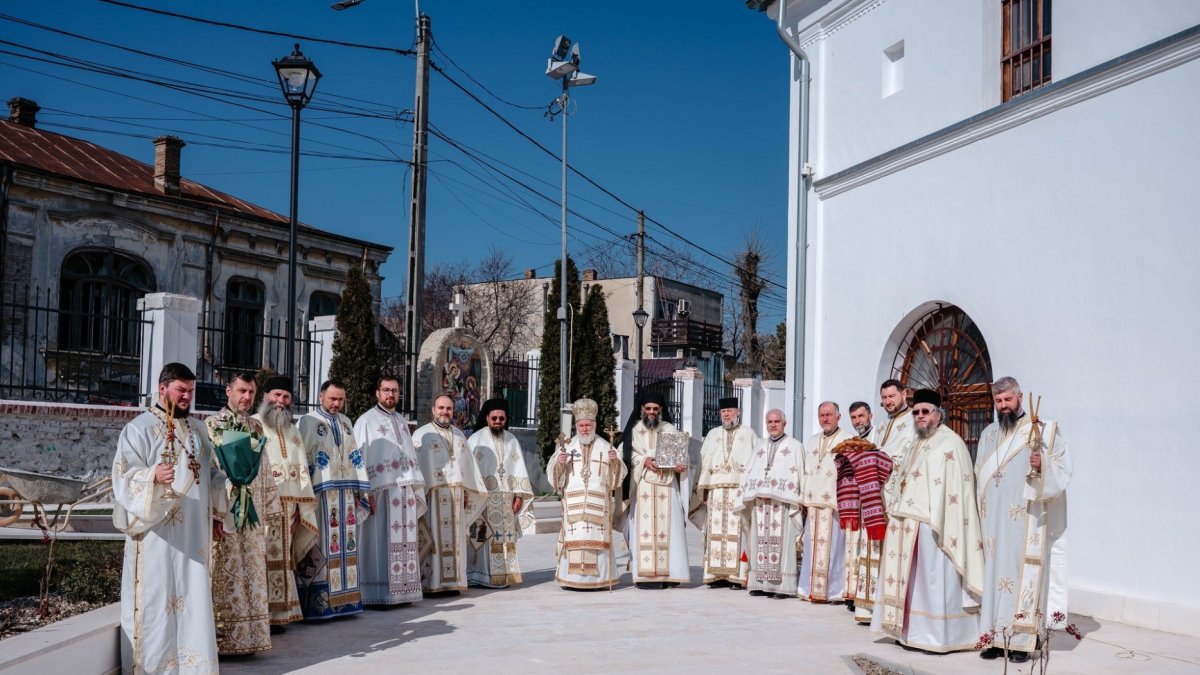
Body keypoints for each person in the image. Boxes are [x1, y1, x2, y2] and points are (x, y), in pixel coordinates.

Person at [111, 362, 228, 674]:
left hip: (194, 536)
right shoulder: (138, 429)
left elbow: (211, 476)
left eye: (191, 390)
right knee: (156, 600)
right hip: (155, 535)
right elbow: (123, 477)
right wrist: (152, 476)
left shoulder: (199, 430)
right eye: (181, 390)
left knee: (193, 599)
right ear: (162, 389)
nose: (187, 396)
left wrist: (226, 496)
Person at [871, 389, 985, 653]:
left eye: (925, 412)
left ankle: (935, 636)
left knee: (932, 579)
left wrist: (941, 519)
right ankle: (909, 632)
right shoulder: (915, 441)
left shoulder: (951, 443)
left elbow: (955, 491)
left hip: (933, 525)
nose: (920, 416)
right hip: (905, 522)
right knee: (911, 583)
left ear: (938, 414)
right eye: (916, 413)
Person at [975, 377, 1072, 663]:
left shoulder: (1043, 430)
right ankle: (994, 638)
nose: (1003, 405)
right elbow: (980, 474)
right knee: (993, 577)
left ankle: (1021, 642)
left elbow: (1063, 468)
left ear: (1019, 397)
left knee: (1021, 576)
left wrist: (1043, 465)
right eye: (998, 401)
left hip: (1026, 521)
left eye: (1008, 399)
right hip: (993, 523)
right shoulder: (988, 434)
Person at [205, 371, 283, 656]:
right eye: (241, 391)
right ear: (229, 391)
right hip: (227, 514)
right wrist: (215, 514)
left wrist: (271, 509)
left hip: (253, 514)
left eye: (251, 392)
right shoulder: (213, 425)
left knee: (252, 574)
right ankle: (224, 640)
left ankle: (250, 638)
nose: (247, 397)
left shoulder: (256, 426)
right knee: (226, 574)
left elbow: (265, 469)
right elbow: (211, 472)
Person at [296, 379, 371, 619]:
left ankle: (347, 601)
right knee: (322, 547)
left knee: (347, 546)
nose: (337, 404)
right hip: (321, 496)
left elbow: (354, 456)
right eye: (332, 399)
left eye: (340, 399)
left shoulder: (346, 422)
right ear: (321, 397)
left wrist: (360, 492)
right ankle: (320, 604)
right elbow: (303, 458)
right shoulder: (307, 421)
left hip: (345, 496)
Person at [352, 376, 427, 606]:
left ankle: (403, 592)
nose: (390, 394)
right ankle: (376, 593)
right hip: (379, 493)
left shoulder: (402, 421)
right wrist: (365, 493)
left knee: (405, 541)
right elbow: (359, 459)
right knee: (379, 543)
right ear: (377, 393)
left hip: (404, 493)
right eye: (386, 390)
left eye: (394, 390)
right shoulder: (366, 421)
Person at [848, 379, 918, 624]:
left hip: (894, 498)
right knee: (870, 548)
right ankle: (868, 606)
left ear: (904, 394)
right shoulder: (881, 426)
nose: (888, 402)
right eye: (884, 398)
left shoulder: (913, 422)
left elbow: (908, 458)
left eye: (892, 396)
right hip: (874, 496)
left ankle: (886, 607)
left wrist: (880, 463)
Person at [254, 375, 319, 626]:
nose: (281, 401)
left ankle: (280, 616)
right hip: (262, 504)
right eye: (276, 395)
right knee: (261, 558)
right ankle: (262, 614)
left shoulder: (293, 430)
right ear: (265, 396)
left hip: (289, 507)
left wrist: (301, 509)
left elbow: (301, 469)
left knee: (283, 559)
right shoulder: (254, 424)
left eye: (286, 397)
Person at [547, 398, 627, 589]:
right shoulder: (567, 447)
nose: (585, 429)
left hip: (598, 505)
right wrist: (560, 464)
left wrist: (615, 462)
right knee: (575, 539)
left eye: (588, 425)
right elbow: (554, 479)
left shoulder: (606, 447)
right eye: (581, 425)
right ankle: (572, 580)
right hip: (573, 505)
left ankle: (598, 580)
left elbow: (616, 481)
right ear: (576, 426)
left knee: (596, 540)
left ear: (594, 425)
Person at [413, 395, 488, 594]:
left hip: (457, 497)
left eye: (448, 408)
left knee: (456, 540)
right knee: (433, 540)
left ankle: (453, 582)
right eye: (441, 408)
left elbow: (468, 468)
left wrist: (467, 493)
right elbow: (416, 469)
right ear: (433, 409)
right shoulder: (421, 435)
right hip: (433, 498)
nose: (444, 412)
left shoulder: (459, 435)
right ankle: (431, 583)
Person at [734, 408, 806, 598]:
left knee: (783, 545)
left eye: (776, 422)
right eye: (769, 422)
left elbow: (800, 475)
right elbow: (750, 471)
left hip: (783, 505)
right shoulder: (759, 446)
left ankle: (781, 587)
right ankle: (759, 583)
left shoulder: (795, 446)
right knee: (758, 543)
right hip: (760, 504)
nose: (773, 425)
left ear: (784, 423)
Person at [622, 392, 690, 588]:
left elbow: (682, 455)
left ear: (661, 410)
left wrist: (681, 465)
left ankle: (671, 574)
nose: (651, 412)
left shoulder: (669, 429)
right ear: (642, 409)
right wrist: (644, 460)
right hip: (643, 485)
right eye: (648, 408)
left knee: (671, 529)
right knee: (644, 530)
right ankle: (645, 577)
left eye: (655, 409)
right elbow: (624, 454)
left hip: (667, 487)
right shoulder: (634, 430)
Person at [466, 398, 535, 588]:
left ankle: (504, 574)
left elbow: (518, 468)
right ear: (487, 418)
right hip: (483, 500)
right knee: (481, 537)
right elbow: (469, 470)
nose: (497, 421)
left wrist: (519, 495)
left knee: (504, 538)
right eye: (494, 418)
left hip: (506, 500)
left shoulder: (511, 440)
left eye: (501, 418)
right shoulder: (476, 439)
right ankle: (479, 575)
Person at [691, 396, 758, 588]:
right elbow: (703, 463)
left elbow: (755, 462)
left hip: (739, 491)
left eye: (730, 411)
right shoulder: (712, 434)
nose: (727, 414)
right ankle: (716, 575)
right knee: (714, 532)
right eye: (723, 411)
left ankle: (737, 576)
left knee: (739, 531)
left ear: (738, 412)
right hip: (716, 492)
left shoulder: (749, 434)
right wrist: (702, 488)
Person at [799, 401, 855, 603]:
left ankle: (833, 591)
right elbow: (806, 472)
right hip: (813, 504)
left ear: (838, 417)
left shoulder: (848, 440)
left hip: (834, 505)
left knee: (834, 550)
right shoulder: (812, 441)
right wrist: (803, 499)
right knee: (811, 549)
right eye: (822, 415)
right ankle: (810, 589)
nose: (825, 419)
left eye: (829, 415)